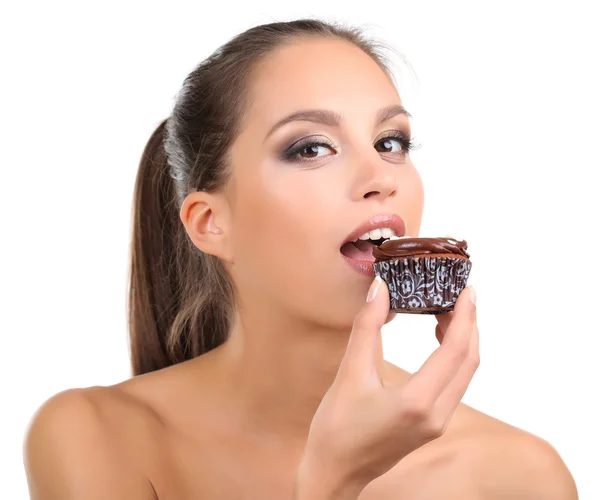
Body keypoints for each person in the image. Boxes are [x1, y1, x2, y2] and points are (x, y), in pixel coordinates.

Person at [23, 18, 578, 499]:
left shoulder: (520, 476)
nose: (380, 177)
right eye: (311, 148)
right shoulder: (95, 437)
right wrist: (332, 481)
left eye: (391, 142)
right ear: (211, 223)